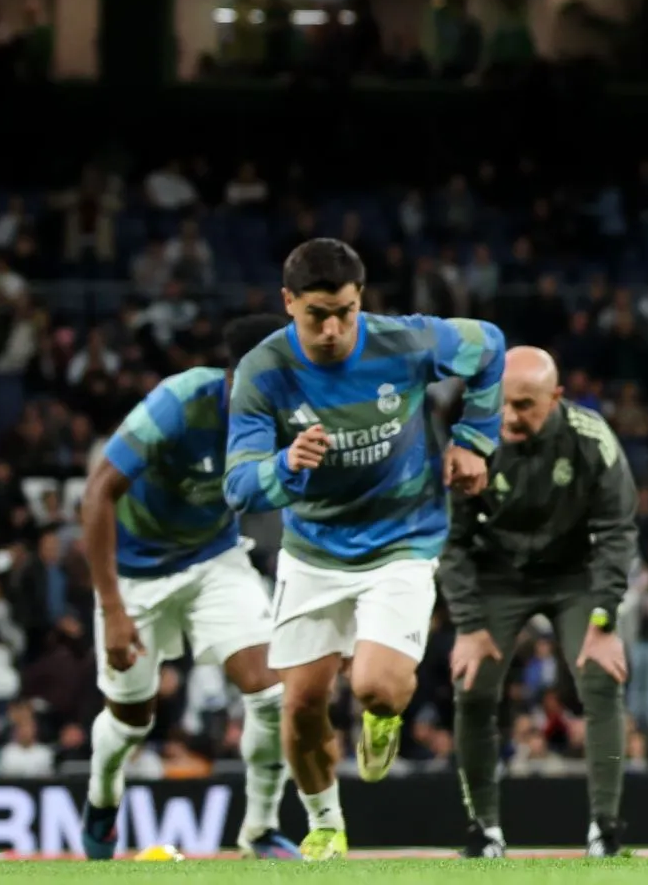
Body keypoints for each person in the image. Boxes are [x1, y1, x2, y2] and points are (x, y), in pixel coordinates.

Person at [224, 237, 506, 860]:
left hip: (403, 539)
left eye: (345, 312)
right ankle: (326, 824)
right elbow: (239, 487)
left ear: (361, 299)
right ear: (288, 302)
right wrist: (284, 464)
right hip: (314, 550)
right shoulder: (262, 372)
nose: (332, 330)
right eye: (316, 315)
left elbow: (490, 345)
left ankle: (382, 717)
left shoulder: (404, 341)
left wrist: (474, 440)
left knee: (376, 686)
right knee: (300, 705)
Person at [79, 313, 300, 861]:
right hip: (136, 573)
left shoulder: (286, 414)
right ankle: (102, 798)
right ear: (240, 373)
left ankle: (261, 830)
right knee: (131, 723)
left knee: (270, 694)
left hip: (213, 557)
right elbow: (98, 493)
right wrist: (112, 609)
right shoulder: (178, 403)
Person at [441, 346, 638, 859]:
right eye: (502, 402)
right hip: (497, 578)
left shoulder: (591, 438)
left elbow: (617, 531)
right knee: (472, 686)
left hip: (573, 576)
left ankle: (605, 830)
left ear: (556, 398)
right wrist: (468, 625)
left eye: (525, 404)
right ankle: (483, 831)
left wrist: (604, 619)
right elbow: (451, 541)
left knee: (601, 677)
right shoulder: (471, 440)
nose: (509, 416)